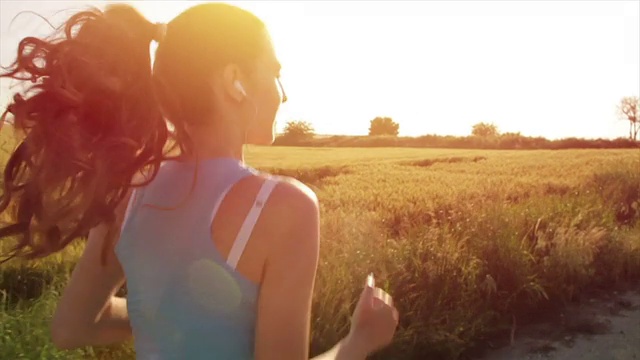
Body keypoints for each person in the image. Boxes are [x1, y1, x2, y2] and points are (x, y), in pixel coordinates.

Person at [0, 2, 399, 359]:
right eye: (274, 73)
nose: (283, 94)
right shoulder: (284, 207)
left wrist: (168, 312)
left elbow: (71, 328)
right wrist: (358, 341)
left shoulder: (128, 194)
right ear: (233, 81)